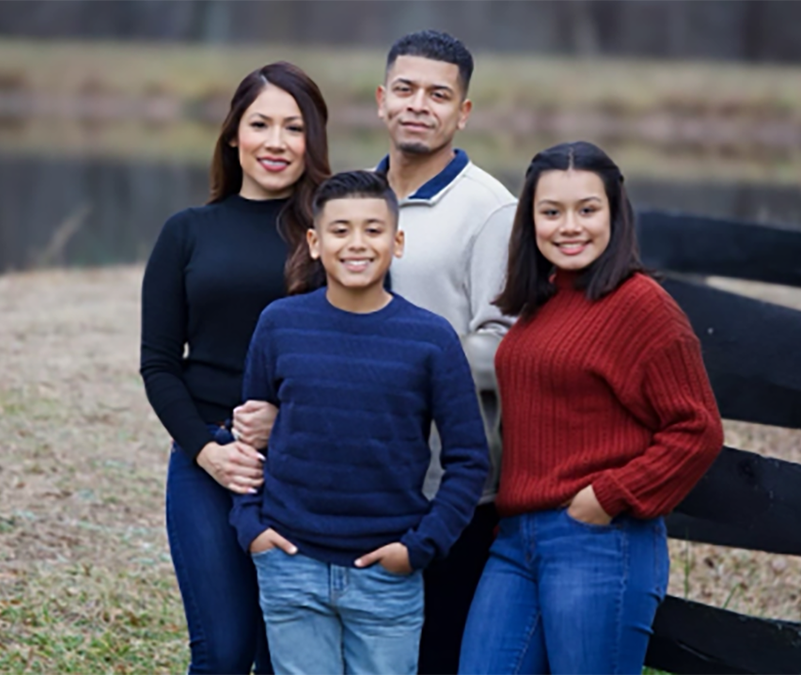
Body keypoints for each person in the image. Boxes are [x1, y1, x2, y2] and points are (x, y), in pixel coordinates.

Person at [458, 141, 725, 675]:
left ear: (614, 213)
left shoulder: (640, 304)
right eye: (551, 212)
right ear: (530, 219)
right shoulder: (542, 301)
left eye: (587, 209)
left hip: (598, 542)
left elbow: (697, 429)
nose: (569, 226)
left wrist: (607, 496)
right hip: (516, 540)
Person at [231, 170, 490, 675]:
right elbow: (249, 438)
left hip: (387, 574)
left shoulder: (431, 339)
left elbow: (468, 459)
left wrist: (419, 547)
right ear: (314, 242)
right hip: (290, 564)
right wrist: (251, 526)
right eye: (340, 229)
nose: (356, 243)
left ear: (397, 241)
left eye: (373, 230)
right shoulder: (279, 324)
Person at [139, 62, 330, 675]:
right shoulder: (187, 233)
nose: (276, 142)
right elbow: (159, 364)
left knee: (284, 657)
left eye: (293, 128)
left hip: (302, 463)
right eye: (260, 124)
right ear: (232, 135)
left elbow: (355, 352)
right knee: (222, 652)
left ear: (312, 142)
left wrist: (289, 419)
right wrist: (205, 451)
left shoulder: (331, 237)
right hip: (206, 461)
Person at [373, 30, 517, 673]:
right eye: (405, 89)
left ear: (462, 113)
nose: (418, 105)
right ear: (381, 100)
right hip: (358, 476)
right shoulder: (354, 197)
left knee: (435, 655)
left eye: (439, 95)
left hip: (449, 488)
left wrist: (405, 360)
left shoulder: (491, 211)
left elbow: (508, 345)